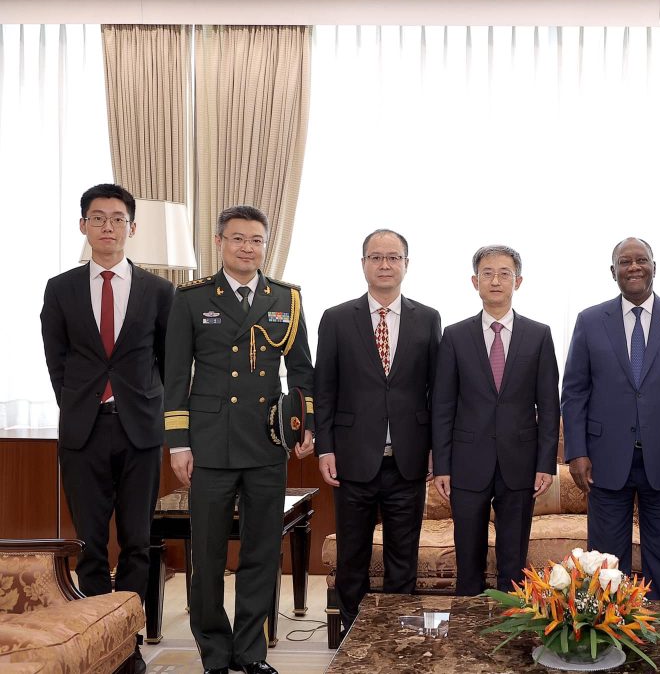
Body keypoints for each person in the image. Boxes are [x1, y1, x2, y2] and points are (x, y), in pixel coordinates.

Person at [163, 205, 315, 674]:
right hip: (209, 444)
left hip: (267, 443)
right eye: (237, 239)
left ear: (265, 245)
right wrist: (179, 444)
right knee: (207, 555)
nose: (247, 248)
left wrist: (304, 426)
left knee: (261, 553)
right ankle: (214, 652)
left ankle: (251, 652)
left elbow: (302, 371)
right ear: (219, 242)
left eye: (255, 240)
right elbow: (175, 376)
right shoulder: (191, 298)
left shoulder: (286, 298)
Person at [40, 183, 173, 674]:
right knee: (90, 545)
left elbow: (168, 362)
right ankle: (98, 641)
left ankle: (128, 641)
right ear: (83, 225)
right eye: (98, 218)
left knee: (137, 541)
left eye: (117, 219)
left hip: (140, 432)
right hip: (84, 433)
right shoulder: (61, 288)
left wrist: (151, 407)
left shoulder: (159, 291)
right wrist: (79, 404)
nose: (108, 227)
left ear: (131, 228)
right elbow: (57, 359)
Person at [561, 236, 660, 600]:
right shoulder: (590, 321)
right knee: (605, 565)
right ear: (613, 271)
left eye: (641, 260)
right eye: (625, 262)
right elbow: (574, 392)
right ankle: (610, 632)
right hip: (605, 460)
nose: (634, 267)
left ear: (654, 267)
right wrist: (576, 452)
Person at [314, 229, 441, 633]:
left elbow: (437, 392)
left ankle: (396, 636)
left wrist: (437, 450)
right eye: (376, 257)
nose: (385, 265)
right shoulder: (336, 318)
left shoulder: (428, 318)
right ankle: (354, 636)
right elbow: (324, 390)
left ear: (406, 264)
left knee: (403, 557)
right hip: (352, 459)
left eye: (393, 257)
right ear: (363, 264)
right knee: (352, 557)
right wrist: (324, 448)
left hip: (408, 460)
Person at [431, 245, 560, 595]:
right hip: (467, 463)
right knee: (468, 561)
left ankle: (511, 625)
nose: (496, 280)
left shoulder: (539, 334)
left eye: (505, 273)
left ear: (518, 281)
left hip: (520, 463)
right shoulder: (455, 336)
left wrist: (545, 464)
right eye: (487, 273)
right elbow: (442, 406)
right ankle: (468, 626)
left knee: (513, 563)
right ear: (475, 282)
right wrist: (441, 465)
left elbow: (549, 406)